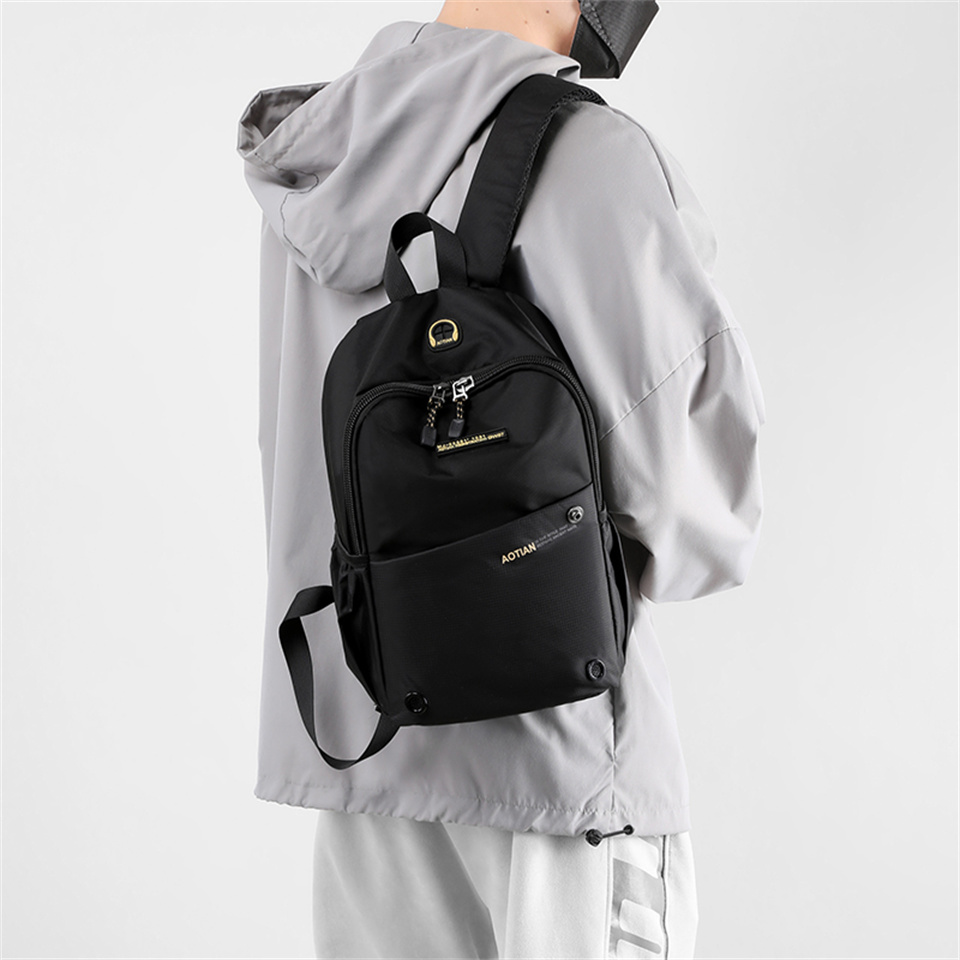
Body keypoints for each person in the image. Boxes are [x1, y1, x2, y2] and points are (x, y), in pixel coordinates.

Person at [236, 2, 765, 957]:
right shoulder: (588, 155)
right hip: (559, 774)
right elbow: (696, 514)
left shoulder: (320, 153)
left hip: (366, 755)